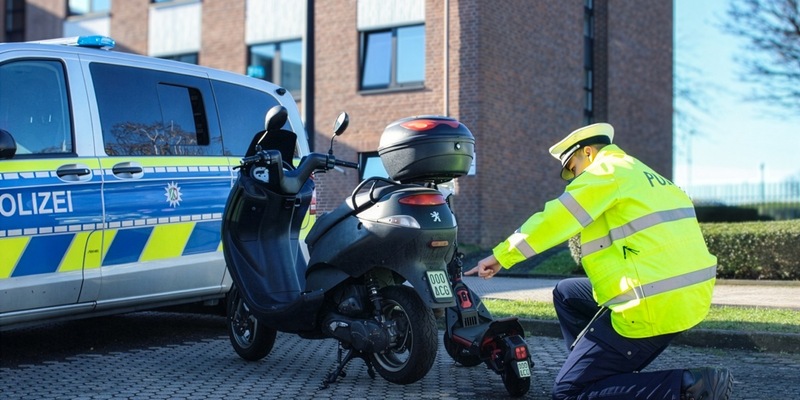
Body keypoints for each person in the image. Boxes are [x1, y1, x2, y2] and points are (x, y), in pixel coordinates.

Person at [465, 123, 734, 400]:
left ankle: (690, 384)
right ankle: (593, 364)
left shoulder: (605, 172)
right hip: (683, 296)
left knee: (569, 392)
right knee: (567, 293)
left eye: (572, 166)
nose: (572, 177)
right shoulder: (647, 175)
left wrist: (501, 256)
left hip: (651, 304)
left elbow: (554, 219)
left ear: (589, 152)